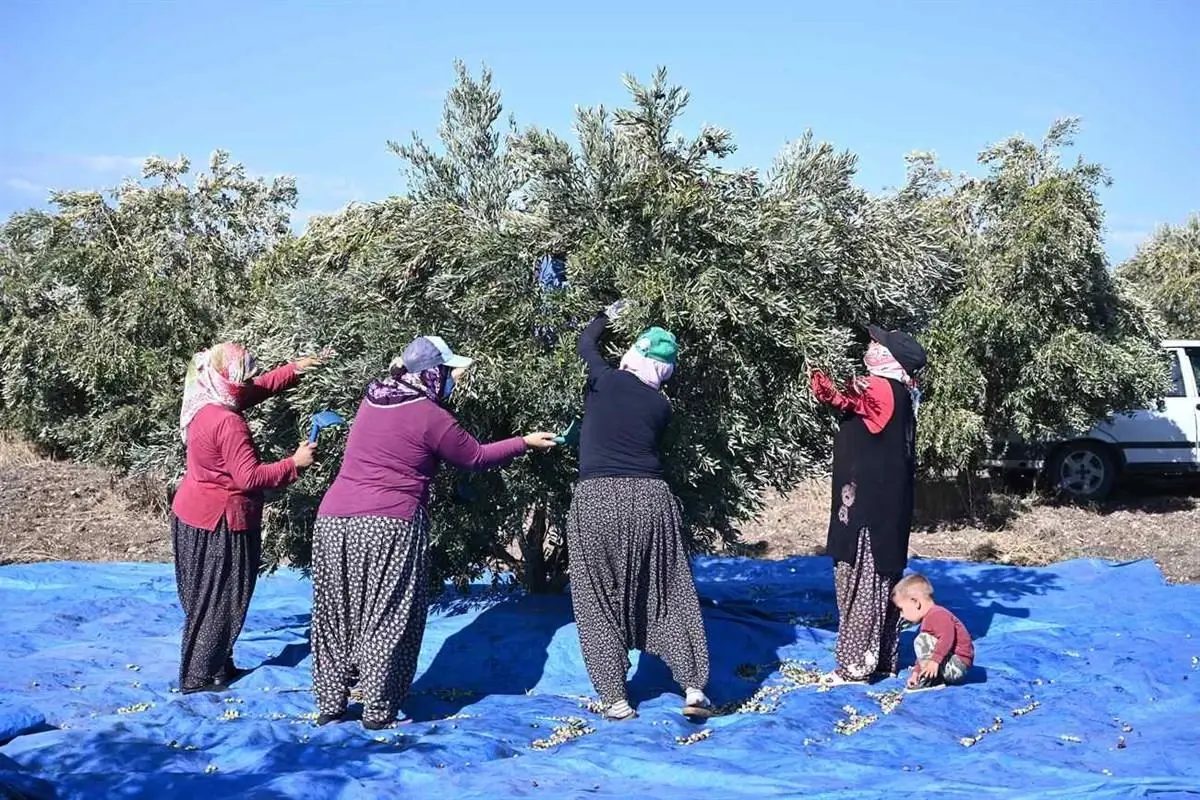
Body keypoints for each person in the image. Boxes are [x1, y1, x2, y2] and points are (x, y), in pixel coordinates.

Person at [310, 335, 557, 730]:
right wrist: (524, 442)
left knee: (335, 613)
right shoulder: (430, 416)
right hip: (388, 523)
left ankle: (330, 704)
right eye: (448, 373)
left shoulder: (374, 398)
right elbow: (474, 457)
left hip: (333, 519)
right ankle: (377, 711)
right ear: (433, 373)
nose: (452, 381)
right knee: (387, 614)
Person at [568, 301, 712, 722]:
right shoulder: (661, 406)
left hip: (596, 499)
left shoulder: (605, 380)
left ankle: (615, 698)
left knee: (598, 598)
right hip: (651, 499)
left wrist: (604, 317)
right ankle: (694, 684)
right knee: (669, 589)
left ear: (633, 354)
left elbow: (586, 344)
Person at [172, 341, 326, 694]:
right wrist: (295, 464)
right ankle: (197, 680)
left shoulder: (204, 396)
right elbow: (249, 477)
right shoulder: (229, 423)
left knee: (203, 599)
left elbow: (256, 389)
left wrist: (296, 369)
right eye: (246, 377)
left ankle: (216, 668)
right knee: (222, 601)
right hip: (222, 522)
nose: (248, 383)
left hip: (191, 513)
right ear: (233, 379)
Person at [810, 325, 927, 686]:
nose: (870, 346)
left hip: (867, 511)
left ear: (890, 358)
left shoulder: (879, 387)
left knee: (861, 582)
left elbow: (844, 398)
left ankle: (854, 666)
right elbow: (849, 402)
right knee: (877, 581)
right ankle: (879, 658)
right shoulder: (902, 391)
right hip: (885, 506)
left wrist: (817, 370)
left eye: (878, 344)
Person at [891, 573, 974, 691]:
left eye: (901, 609)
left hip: (957, 666)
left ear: (915, 602)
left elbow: (947, 637)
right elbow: (925, 653)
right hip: (949, 665)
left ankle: (931, 680)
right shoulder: (929, 618)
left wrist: (934, 662)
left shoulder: (937, 614)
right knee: (923, 640)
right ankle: (927, 677)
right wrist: (916, 673)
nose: (901, 615)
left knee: (921, 640)